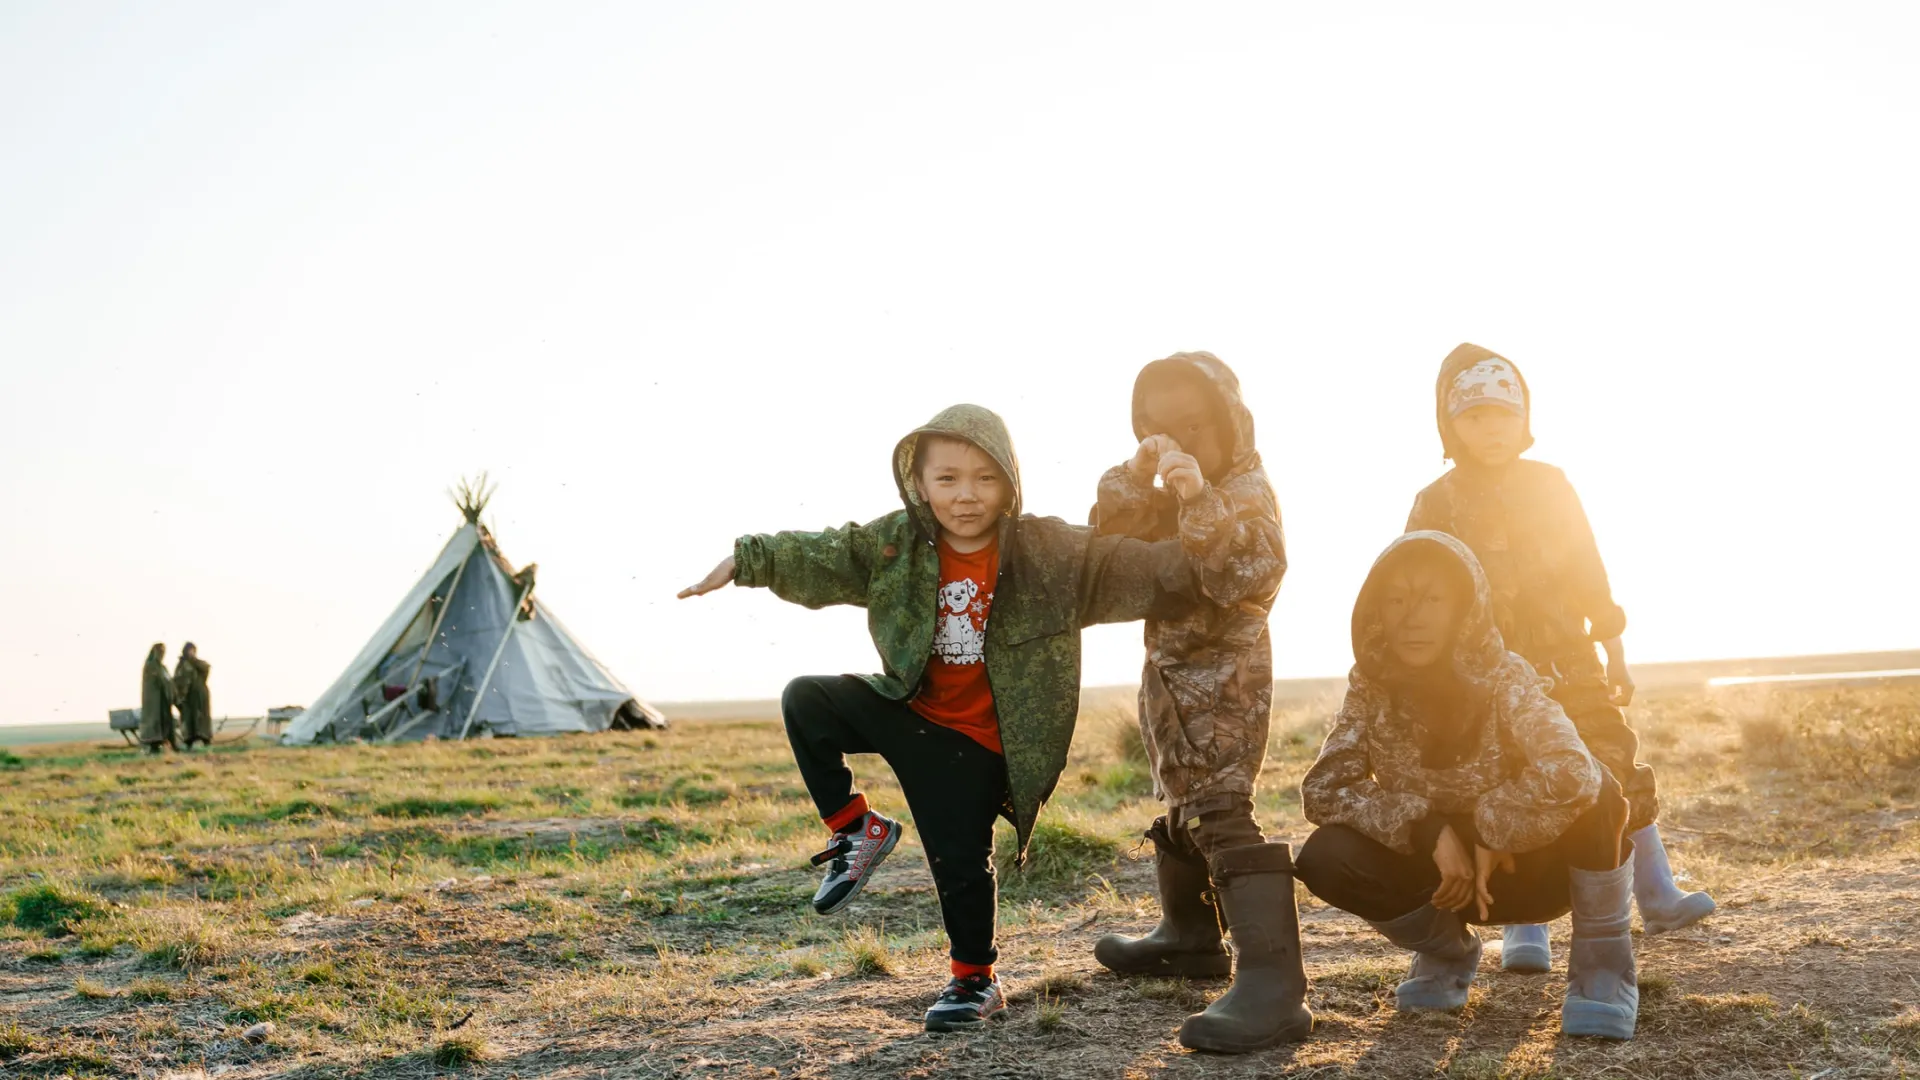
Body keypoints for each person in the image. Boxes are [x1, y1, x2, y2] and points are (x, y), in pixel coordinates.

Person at [678, 403, 1204, 1033]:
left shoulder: (1047, 550)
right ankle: (855, 829)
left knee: (958, 864)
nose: (966, 495)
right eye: (947, 478)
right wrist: (748, 561)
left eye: (985, 478)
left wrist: (1205, 537)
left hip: (978, 744)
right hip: (910, 710)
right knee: (806, 698)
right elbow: (826, 552)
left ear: (1010, 480)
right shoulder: (896, 542)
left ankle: (974, 982)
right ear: (919, 483)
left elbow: (1128, 563)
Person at [1406, 343, 1714, 973]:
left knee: (1611, 760)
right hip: (1484, 676)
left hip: (1569, 662)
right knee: (1515, 781)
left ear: (1524, 419)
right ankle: (1527, 926)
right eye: (1473, 416)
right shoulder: (1436, 500)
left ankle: (1655, 893)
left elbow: (1586, 569)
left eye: (1503, 414)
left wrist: (1615, 648)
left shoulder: (1551, 485)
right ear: (1450, 424)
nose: (1491, 429)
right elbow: (1413, 585)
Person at [1294, 532, 1638, 1040]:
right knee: (1324, 855)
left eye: (1432, 599)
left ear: (1464, 609)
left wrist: (1488, 828)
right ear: (1376, 612)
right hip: (1439, 884)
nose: (1413, 616)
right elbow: (1324, 788)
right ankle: (1445, 952)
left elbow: (1572, 769)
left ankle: (1602, 969)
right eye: (1397, 599)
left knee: (1602, 791)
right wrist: (1429, 831)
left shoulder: (1505, 676)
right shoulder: (1370, 683)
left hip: (1530, 869)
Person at [1083, 352, 1308, 1052]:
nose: (1181, 442)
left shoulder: (1244, 491)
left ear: (1231, 424)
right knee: (1184, 805)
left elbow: (1252, 567)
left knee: (1220, 810)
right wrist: (1136, 474)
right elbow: (1112, 540)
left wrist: (1198, 500)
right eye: (1159, 429)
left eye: (1194, 426)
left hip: (1228, 687)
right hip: (1170, 687)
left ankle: (1275, 986)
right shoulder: (1177, 489)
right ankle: (1188, 935)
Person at [139, 643, 180, 753]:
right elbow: (158, 682)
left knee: (167, 723)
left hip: (164, 700)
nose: (161, 654)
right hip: (154, 702)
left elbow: (168, 682)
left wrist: (173, 693)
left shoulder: (162, 667)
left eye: (163, 651)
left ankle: (172, 744)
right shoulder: (150, 666)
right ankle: (154, 746)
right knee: (155, 724)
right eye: (159, 651)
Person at [174, 643, 213, 750]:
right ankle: (189, 741)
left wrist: (193, 661)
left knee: (200, 719)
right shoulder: (181, 665)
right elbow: (178, 680)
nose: (191, 653)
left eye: (193, 650)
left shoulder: (198, 663)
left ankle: (202, 739)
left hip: (199, 696)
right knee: (188, 719)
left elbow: (206, 668)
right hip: (187, 698)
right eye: (189, 650)